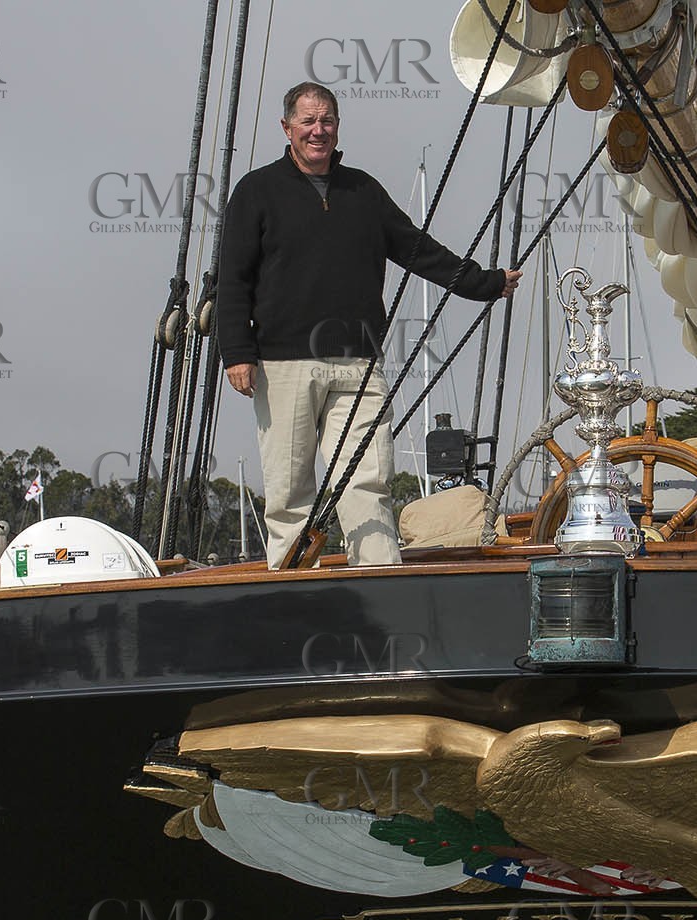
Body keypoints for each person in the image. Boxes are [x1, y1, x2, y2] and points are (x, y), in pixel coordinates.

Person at [216, 81, 521, 568]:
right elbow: (232, 278)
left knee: (368, 481)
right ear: (287, 128)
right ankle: (289, 587)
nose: (318, 131)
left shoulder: (363, 191)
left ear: (337, 127)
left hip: (358, 362)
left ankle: (378, 580)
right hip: (282, 363)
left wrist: (483, 283)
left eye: (327, 121)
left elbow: (418, 250)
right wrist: (236, 353)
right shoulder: (257, 191)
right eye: (308, 121)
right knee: (290, 488)